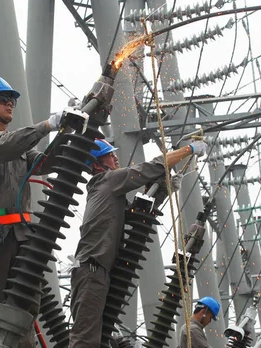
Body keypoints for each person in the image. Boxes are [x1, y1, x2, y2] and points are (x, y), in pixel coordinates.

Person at [68, 138, 209, 348]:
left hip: (99, 270)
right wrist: (189, 149)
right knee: (85, 341)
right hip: (92, 270)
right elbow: (151, 167)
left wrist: (162, 191)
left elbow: (135, 217)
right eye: (109, 154)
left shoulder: (110, 193)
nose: (116, 157)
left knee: (101, 340)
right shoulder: (108, 180)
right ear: (97, 164)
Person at [0, 75, 66, 348]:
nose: (11, 104)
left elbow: (44, 163)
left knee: (24, 308)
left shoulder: (18, 147)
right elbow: (6, 147)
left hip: (20, 238)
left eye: (13, 101)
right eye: (4, 99)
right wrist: (46, 125)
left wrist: (69, 130)